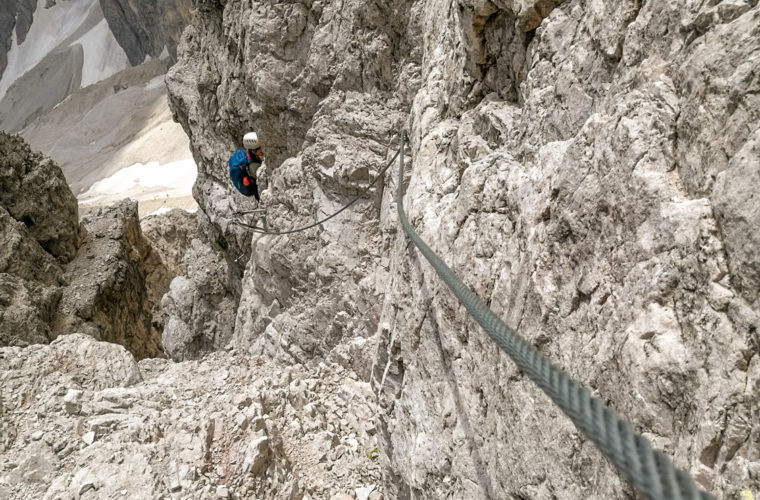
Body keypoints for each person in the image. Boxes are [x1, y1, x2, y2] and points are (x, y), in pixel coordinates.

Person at [228, 132, 263, 201]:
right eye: (260, 149)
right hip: (256, 188)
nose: (262, 150)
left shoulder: (249, 154)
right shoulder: (254, 166)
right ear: (253, 151)